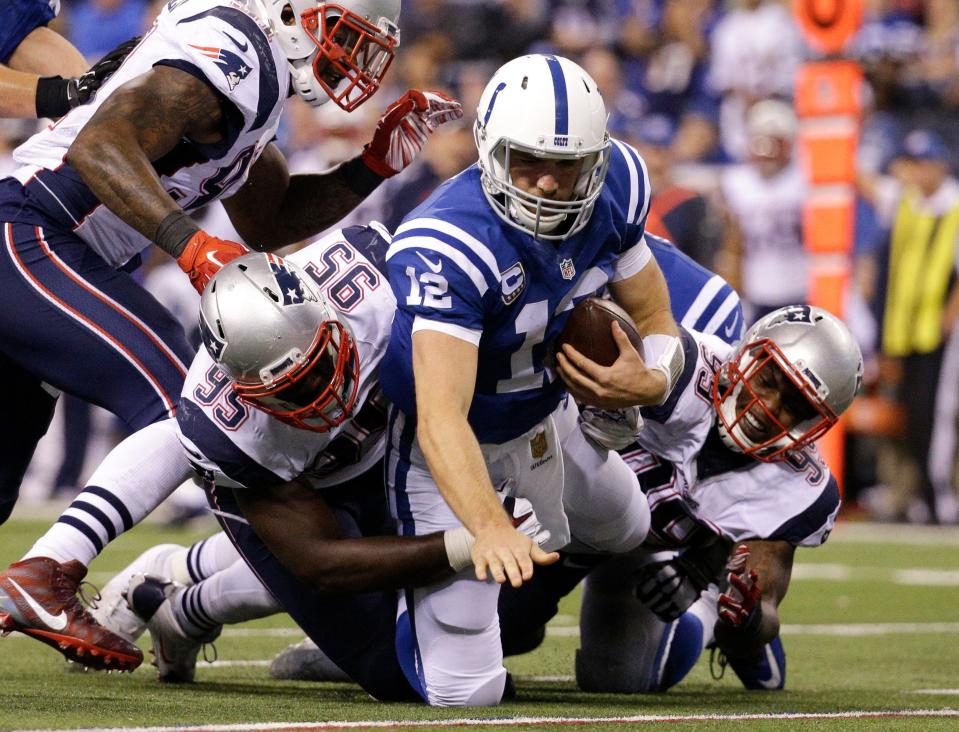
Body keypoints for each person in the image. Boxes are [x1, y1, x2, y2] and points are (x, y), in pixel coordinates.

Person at [0, 0, 462, 670]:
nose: (350, 61)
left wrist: (374, 166)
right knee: (185, 404)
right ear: (289, 10)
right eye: (343, 37)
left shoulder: (254, 76)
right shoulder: (231, 45)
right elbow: (98, 147)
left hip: (44, 245)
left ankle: (43, 572)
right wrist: (191, 249)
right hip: (33, 232)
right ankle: (49, 570)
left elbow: (270, 220)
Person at [379, 54, 685, 707]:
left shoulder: (618, 184)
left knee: (628, 525)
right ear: (488, 150)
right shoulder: (449, 240)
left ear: (595, 160)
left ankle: (587, 594)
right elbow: (440, 419)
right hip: (446, 450)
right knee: (465, 693)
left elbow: (655, 314)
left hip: (545, 418)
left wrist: (652, 380)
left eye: (566, 164)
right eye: (526, 161)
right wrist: (488, 527)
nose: (546, 183)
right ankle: (380, 619)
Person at [497, 305, 863, 694]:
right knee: (511, 629)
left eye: (793, 406)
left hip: (663, 558)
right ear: (748, 352)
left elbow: (767, 596)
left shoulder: (798, 487)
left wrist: (745, 616)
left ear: (811, 424)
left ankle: (707, 614)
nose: (768, 408)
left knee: (620, 679)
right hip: (576, 525)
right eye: (768, 380)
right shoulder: (680, 367)